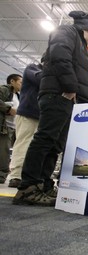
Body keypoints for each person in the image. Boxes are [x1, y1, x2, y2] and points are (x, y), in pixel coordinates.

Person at [13, 10, 88, 206]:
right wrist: (70, 87)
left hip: (65, 99)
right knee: (45, 139)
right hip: (57, 95)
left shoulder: (78, 42)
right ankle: (28, 187)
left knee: (55, 144)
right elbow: (61, 57)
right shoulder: (66, 32)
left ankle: (43, 184)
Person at [7, 57, 44, 188]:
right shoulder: (33, 68)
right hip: (28, 113)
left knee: (35, 147)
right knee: (23, 143)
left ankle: (31, 175)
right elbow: (42, 80)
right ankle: (16, 176)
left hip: (41, 116)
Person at [0, 74, 22, 184]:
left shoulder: (18, 95)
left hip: (13, 128)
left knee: (7, 152)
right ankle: (1, 175)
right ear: (12, 81)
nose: (22, 85)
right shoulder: (4, 90)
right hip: (5, 127)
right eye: (20, 82)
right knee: (4, 153)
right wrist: (9, 109)